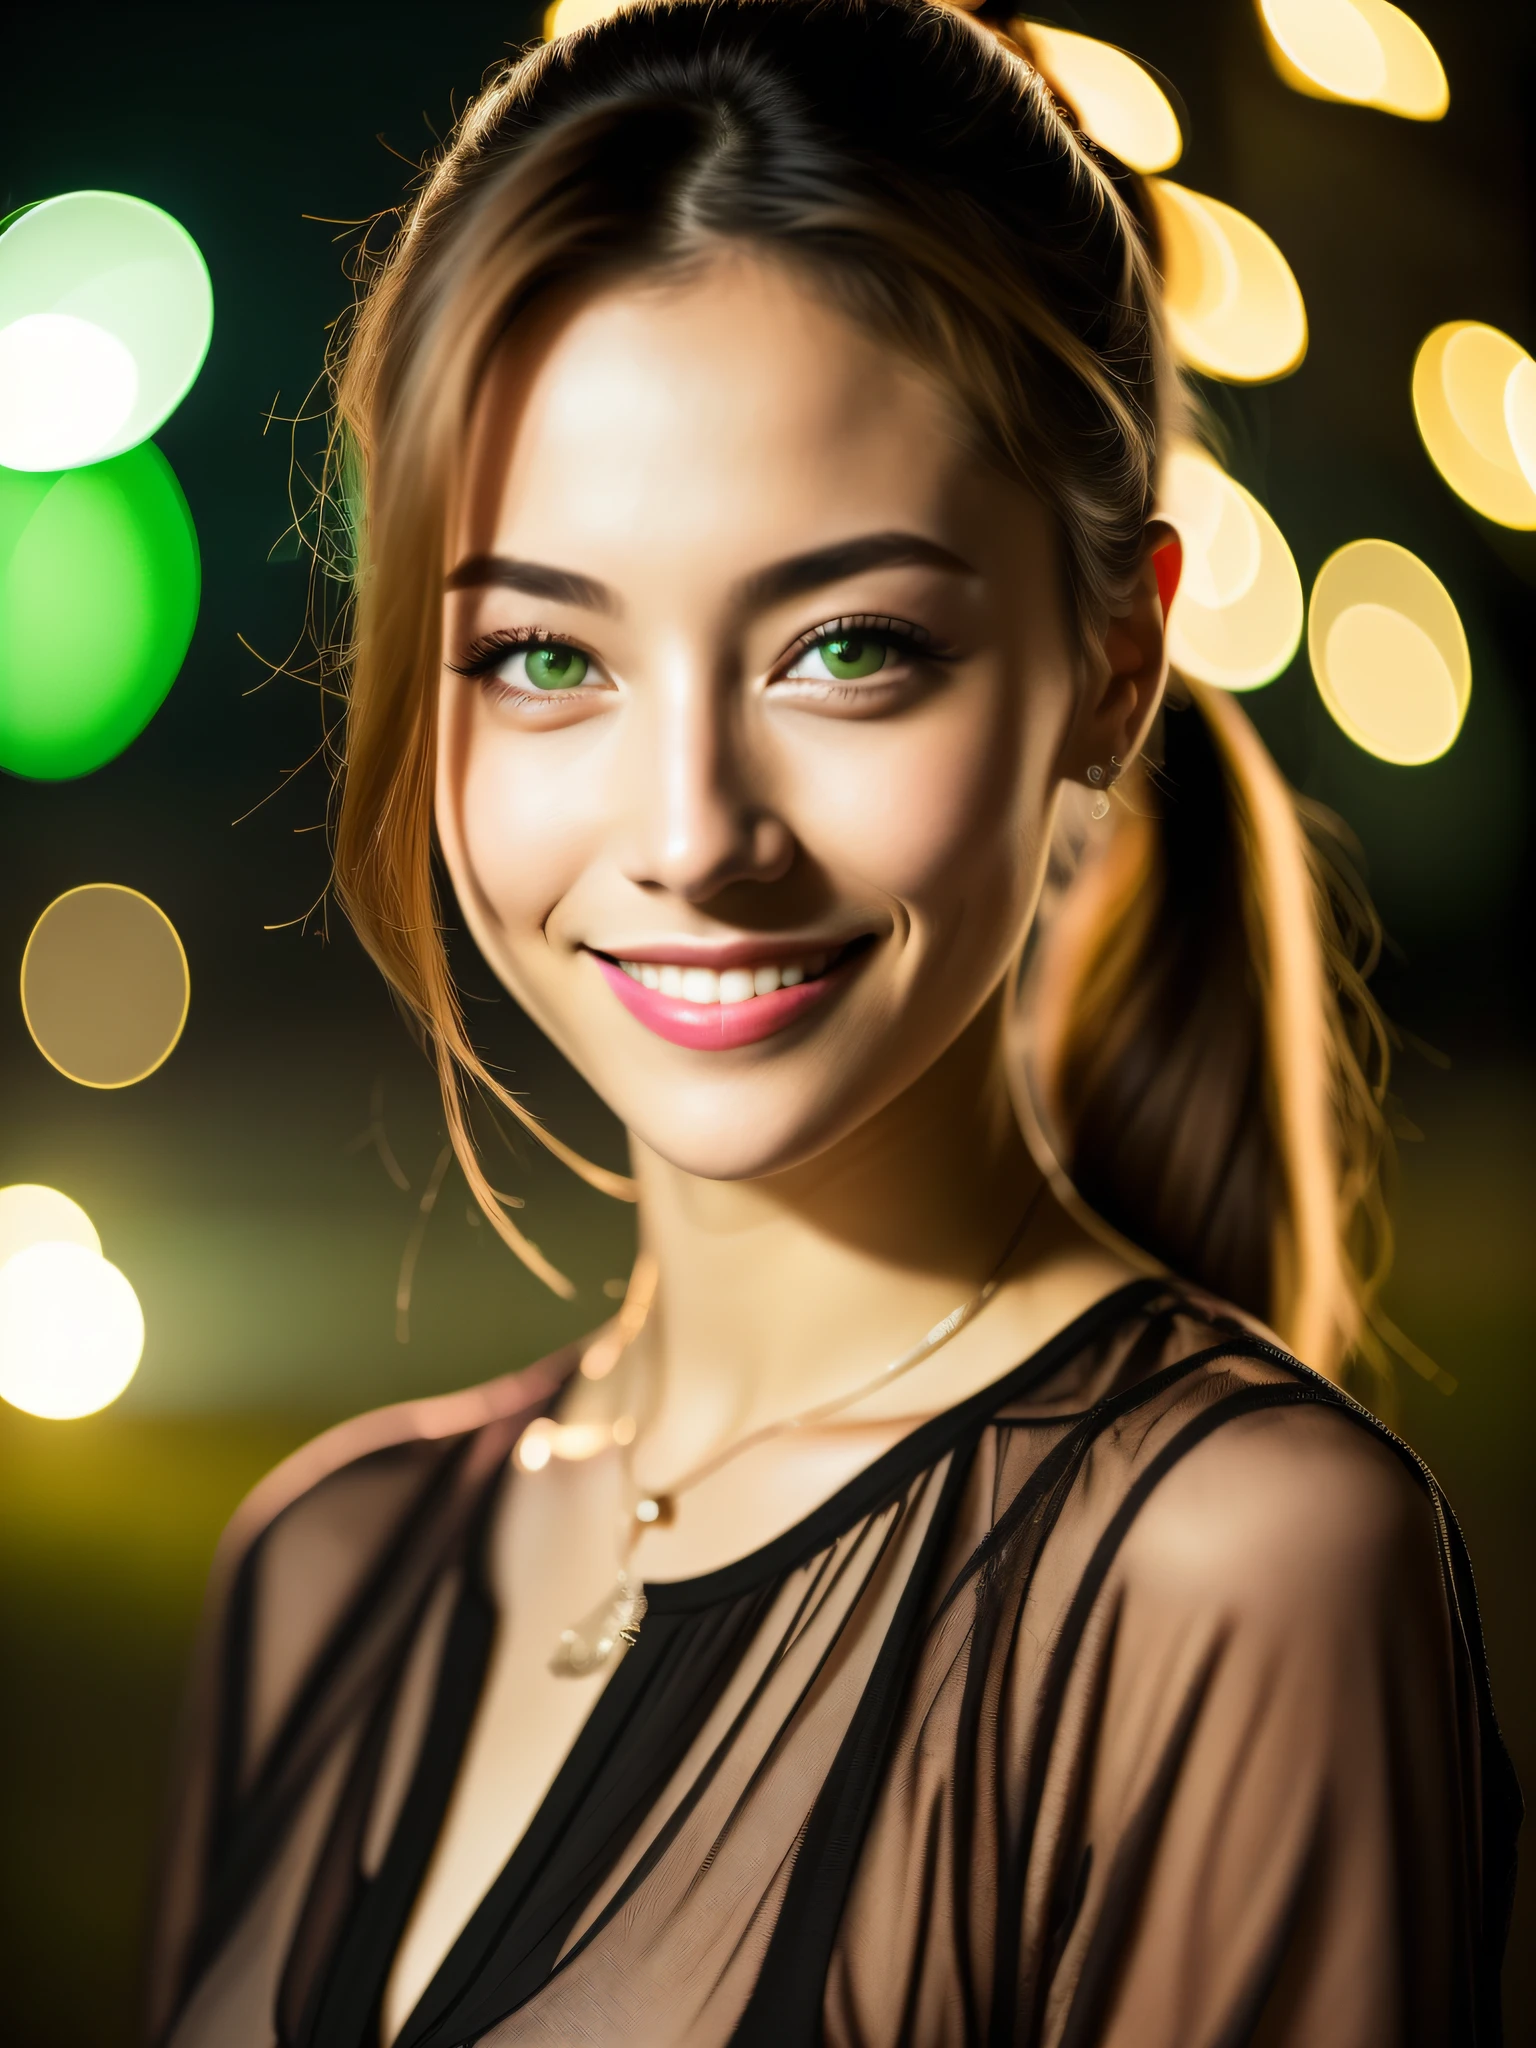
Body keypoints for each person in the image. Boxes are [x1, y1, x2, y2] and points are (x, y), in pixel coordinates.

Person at [145, 3, 1519, 2042]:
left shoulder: (1237, 1577)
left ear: (1113, 667)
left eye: (848, 648)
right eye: (543, 654)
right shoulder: (317, 1571)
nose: (693, 832)